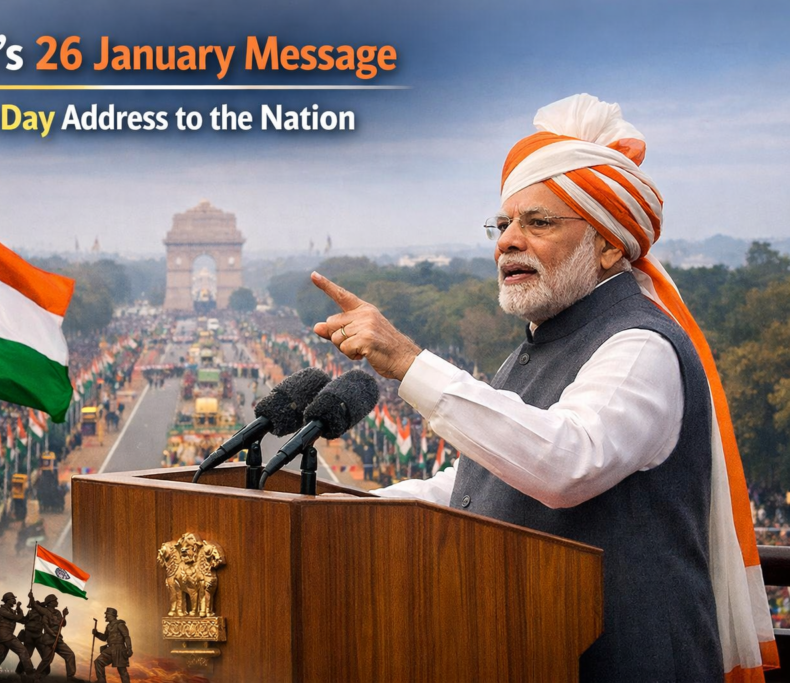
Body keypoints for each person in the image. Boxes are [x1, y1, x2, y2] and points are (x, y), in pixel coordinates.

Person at [311, 94, 775, 682]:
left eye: (538, 223)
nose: (507, 241)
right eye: (503, 224)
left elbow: (566, 463)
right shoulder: (538, 344)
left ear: (609, 244)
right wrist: (343, 509)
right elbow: (483, 484)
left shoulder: (640, 346)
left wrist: (408, 363)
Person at [0, 592, 36, 680]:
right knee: (23, 651)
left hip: (4, 636)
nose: (15, 600)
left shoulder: (11, 611)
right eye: (13, 599)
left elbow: (22, 620)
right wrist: (19, 610)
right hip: (6, 635)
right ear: (7, 600)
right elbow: (16, 618)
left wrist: (22, 610)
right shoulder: (2, 610)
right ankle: (30, 672)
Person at [30, 591, 78, 682]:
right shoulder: (45, 612)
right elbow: (46, 625)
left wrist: (64, 615)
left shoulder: (58, 612)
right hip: (49, 639)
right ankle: (36, 676)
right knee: (47, 660)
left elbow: (62, 624)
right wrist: (31, 597)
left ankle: (70, 677)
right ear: (50, 603)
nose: (57, 602)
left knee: (70, 654)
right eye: (55, 600)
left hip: (58, 639)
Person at [92, 607, 132, 683]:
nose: (105, 616)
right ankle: (101, 681)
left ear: (111, 615)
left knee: (122, 670)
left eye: (107, 615)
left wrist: (129, 648)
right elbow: (105, 638)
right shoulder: (108, 626)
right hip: (110, 649)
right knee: (98, 662)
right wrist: (96, 634)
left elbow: (126, 636)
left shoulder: (120, 624)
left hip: (119, 649)